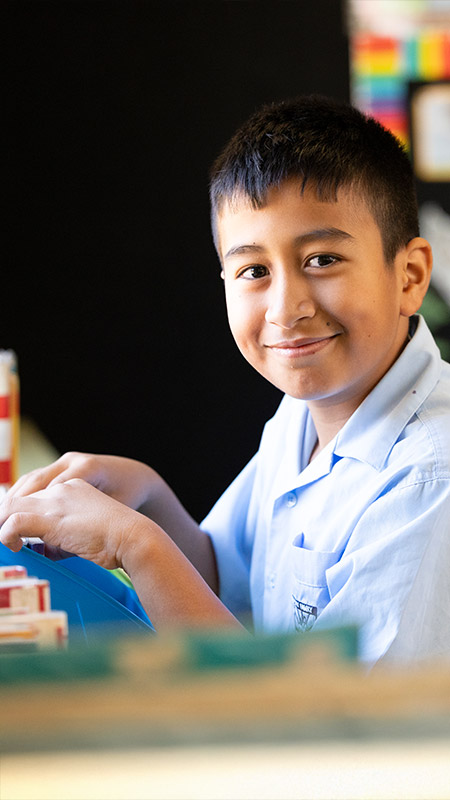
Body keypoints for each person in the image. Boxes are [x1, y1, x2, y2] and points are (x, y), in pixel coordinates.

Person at [1, 95, 449, 666]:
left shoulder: (429, 476)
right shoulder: (304, 414)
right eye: (254, 271)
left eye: (321, 260)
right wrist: (150, 497)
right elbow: (222, 583)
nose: (286, 309)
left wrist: (134, 544)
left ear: (409, 276)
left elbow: (337, 716)